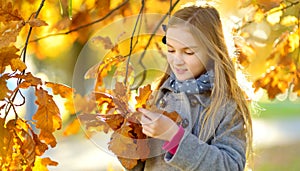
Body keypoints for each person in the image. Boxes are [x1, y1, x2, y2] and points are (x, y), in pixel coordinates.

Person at [126, 4, 253, 171]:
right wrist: (130, 141)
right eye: (171, 50)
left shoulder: (225, 105)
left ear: (211, 51)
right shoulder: (158, 97)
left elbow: (230, 166)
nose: (177, 60)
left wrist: (174, 136)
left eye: (188, 52)